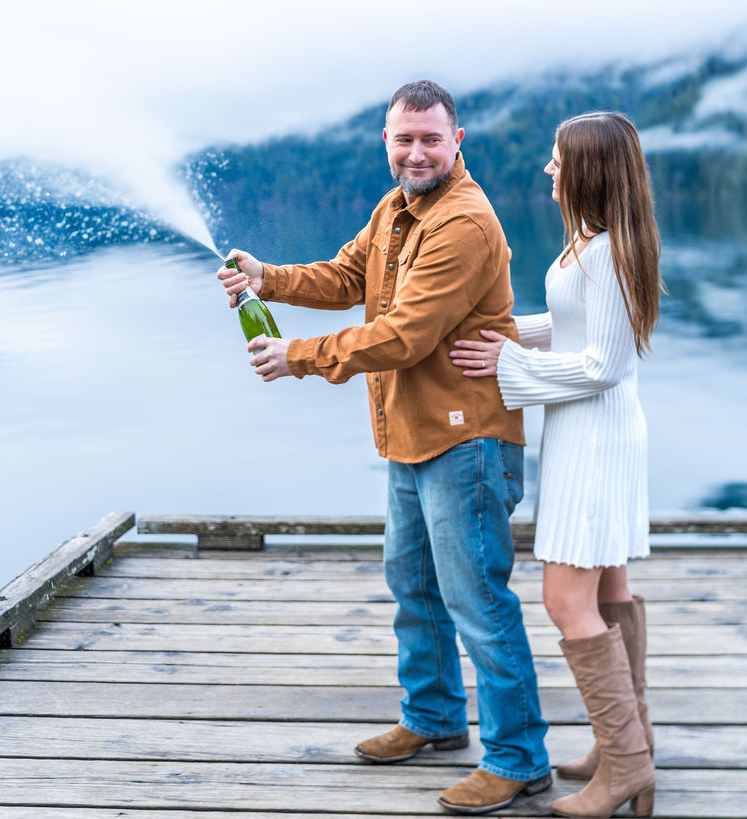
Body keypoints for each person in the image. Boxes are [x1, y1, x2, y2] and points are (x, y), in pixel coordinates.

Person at [217, 80, 550, 815]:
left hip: (468, 438)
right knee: (413, 582)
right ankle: (433, 718)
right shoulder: (395, 208)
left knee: (477, 598)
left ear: (458, 141)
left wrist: (295, 355)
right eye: (404, 139)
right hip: (410, 433)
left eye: (432, 138)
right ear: (387, 143)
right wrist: (266, 276)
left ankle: (521, 757)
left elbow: (404, 334)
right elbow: (346, 277)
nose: (417, 151)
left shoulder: (463, 221)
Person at [450, 111, 661, 818]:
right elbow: (577, 329)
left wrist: (506, 361)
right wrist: (512, 332)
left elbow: (602, 363)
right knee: (608, 589)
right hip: (597, 431)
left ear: (589, 171)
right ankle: (630, 745)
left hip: (595, 438)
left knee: (565, 599)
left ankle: (625, 764)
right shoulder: (600, 244)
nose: (549, 169)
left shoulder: (605, 252)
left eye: (557, 160)